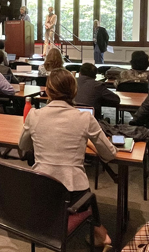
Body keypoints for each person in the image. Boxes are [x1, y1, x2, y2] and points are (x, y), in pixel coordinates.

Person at [19, 69, 116, 247]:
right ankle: (98, 232)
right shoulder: (85, 118)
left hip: (41, 188)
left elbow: (23, 146)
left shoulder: (34, 115)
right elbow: (110, 154)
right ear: (74, 91)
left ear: (47, 91)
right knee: (83, 195)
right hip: (74, 194)